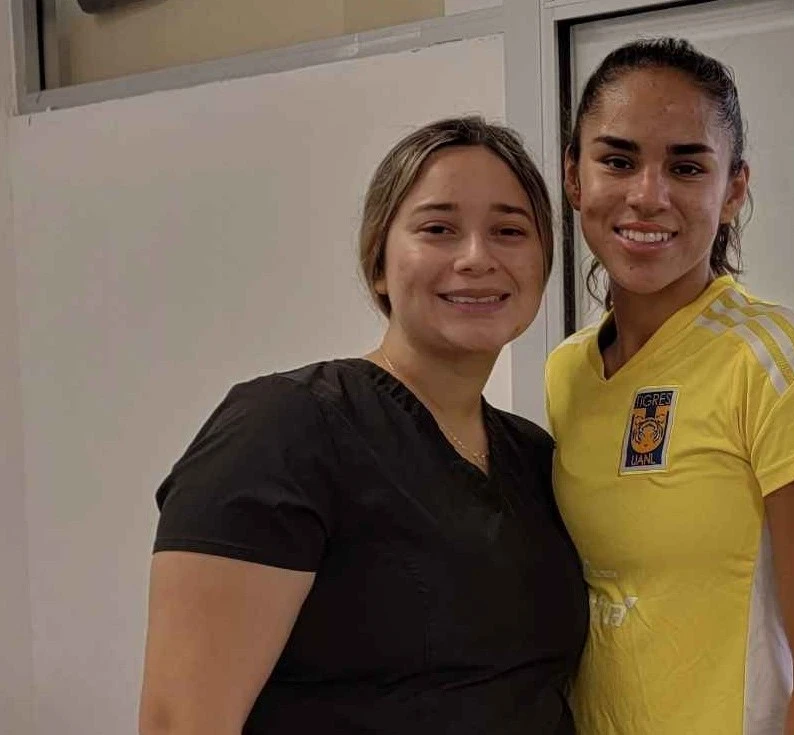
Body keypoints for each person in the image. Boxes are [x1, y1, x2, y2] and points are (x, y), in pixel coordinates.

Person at [139, 116, 588, 735]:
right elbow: (180, 721)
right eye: (438, 229)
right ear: (378, 262)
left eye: (509, 231)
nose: (477, 257)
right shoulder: (283, 429)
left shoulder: (534, 459)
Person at [545, 38, 794, 734]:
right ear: (574, 177)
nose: (647, 195)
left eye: (686, 166)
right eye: (617, 160)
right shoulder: (566, 372)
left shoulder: (781, 361)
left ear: (733, 191)